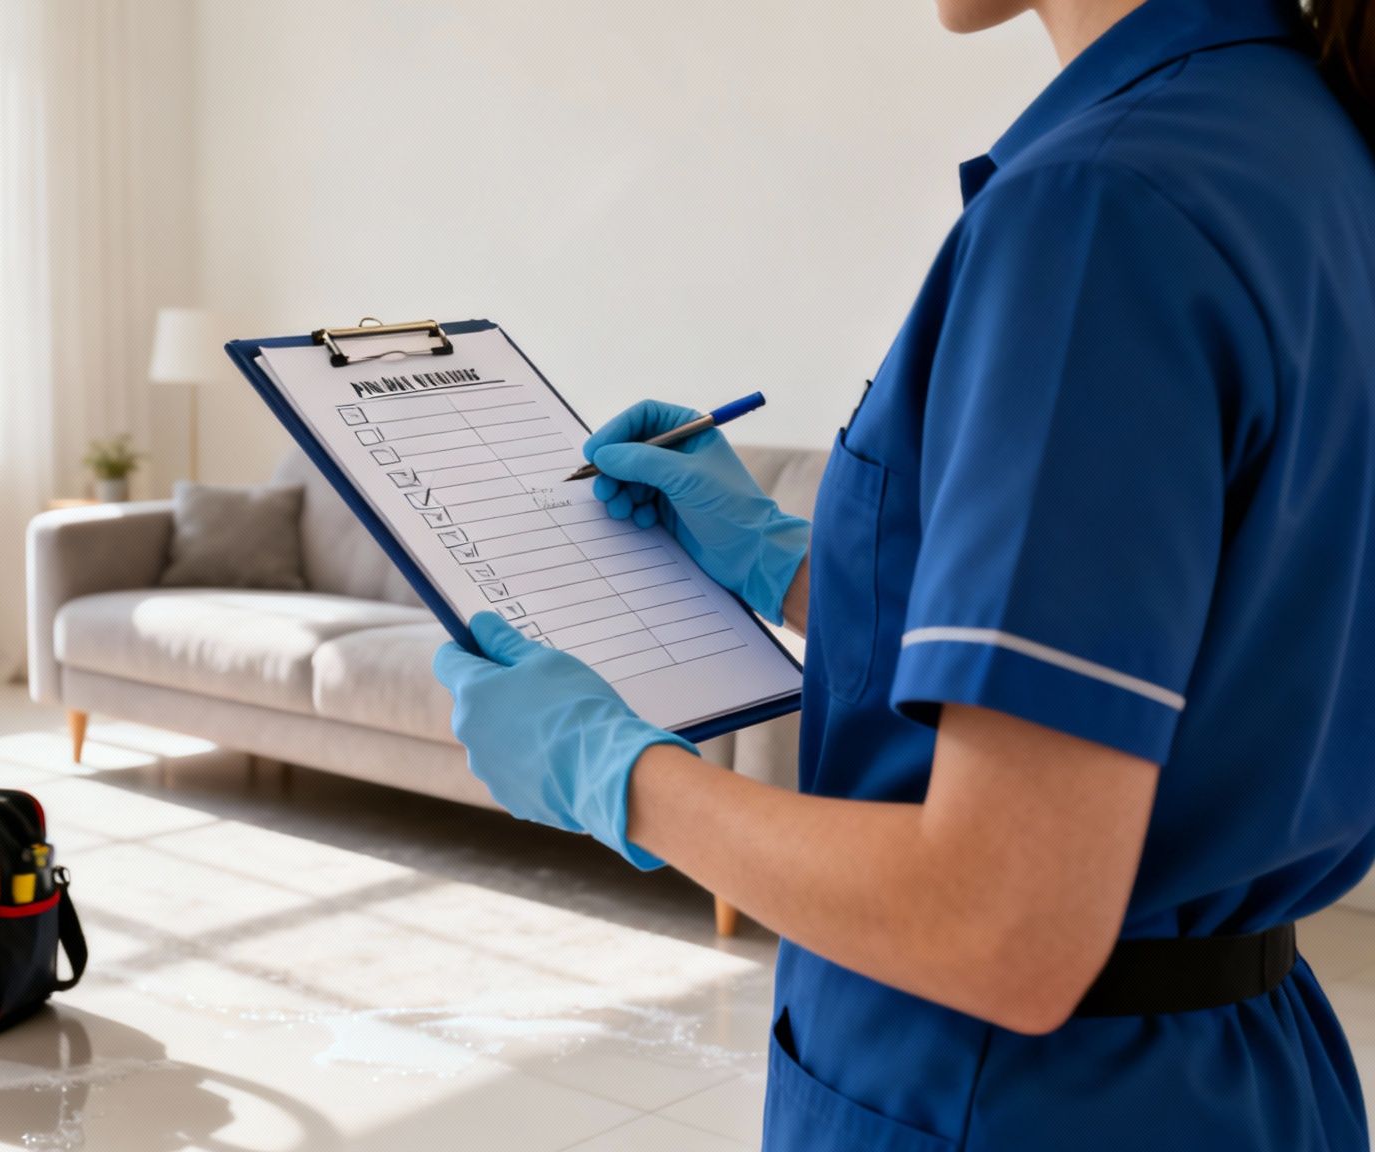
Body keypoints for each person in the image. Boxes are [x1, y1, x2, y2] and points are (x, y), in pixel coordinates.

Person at [432, 0, 1375, 1147]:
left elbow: (1001, 924)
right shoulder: (1307, 147)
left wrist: (617, 775)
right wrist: (778, 560)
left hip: (1019, 1097)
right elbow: (1191, 644)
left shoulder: (1096, 212)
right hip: (1242, 1078)